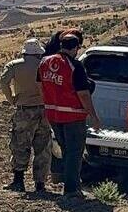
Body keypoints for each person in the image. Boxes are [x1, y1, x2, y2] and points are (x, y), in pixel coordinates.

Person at [38, 33, 101, 199]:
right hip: (73, 116)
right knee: (74, 153)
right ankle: (72, 190)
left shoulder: (45, 62)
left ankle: (70, 185)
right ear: (75, 48)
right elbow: (83, 94)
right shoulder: (75, 66)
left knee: (66, 151)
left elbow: (41, 86)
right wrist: (93, 116)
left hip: (53, 114)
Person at [0, 38, 52, 193]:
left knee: (20, 144)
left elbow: (3, 82)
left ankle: (18, 181)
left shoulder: (15, 66)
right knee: (43, 147)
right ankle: (40, 184)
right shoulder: (46, 66)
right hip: (44, 110)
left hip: (24, 110)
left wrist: (12, 99)